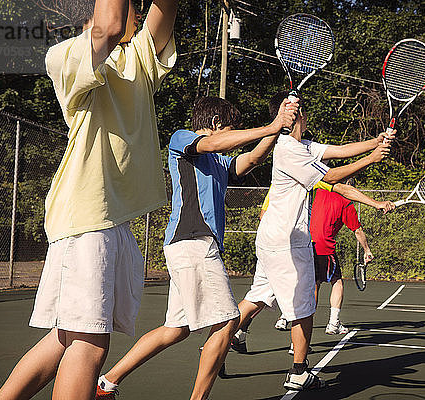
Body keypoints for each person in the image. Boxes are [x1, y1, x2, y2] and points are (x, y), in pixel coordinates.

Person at [0, 1, 177, 399]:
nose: (137, 12)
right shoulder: (66, 54)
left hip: (112, 217)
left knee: (65, 338)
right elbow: (108, 27)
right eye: (132, 6)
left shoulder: (137, 56)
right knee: (90, 344)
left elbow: (165, 12)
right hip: (86, 215)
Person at [94, 96, 299, 400]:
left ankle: (106, 384)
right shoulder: (182, 139)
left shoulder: (219, 161)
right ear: (216, 124)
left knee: (175, 329)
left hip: (190, 246)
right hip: (193, 242)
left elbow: (251, 159)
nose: (232, 136)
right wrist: (272, 124)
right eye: (229, 128)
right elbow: (213, 144)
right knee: (228, 322)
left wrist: (277, 129)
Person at [233, 92, 395, 391]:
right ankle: (298, 371)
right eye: (302, 112)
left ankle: (220, 339)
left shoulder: (302, 146)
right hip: (288, 240)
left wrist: (375, 141)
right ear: (295, 116)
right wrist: (372, 159)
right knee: (303, 308)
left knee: (258, 295)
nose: (306, 116)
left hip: (270, 237)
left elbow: (340, 150)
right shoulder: (289, 150)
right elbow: (332, 177)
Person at [311, 183, 379, 335]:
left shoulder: (320, 191)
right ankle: (333, 323)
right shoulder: (346, 203)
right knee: (337, 282)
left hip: (306, 245)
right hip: (324, 248)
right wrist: (367, 250)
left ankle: (295, 325)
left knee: (313, 285)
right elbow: (358, 231)